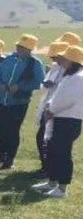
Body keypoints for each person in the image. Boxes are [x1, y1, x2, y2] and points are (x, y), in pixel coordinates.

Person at [0, 34, 45, 170]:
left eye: (23, 47)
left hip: (19, 102)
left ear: (30, 49)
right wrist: (0, 84)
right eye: (19, 46)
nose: (19, 48)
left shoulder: (35, 63)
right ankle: (0, 154)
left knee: (12, 130)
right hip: (1, 100)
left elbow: (39, 82)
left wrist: (20, 87)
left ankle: (10, 159)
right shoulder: (8, 59)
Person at [35, 44, 83, 198]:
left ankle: (62, 188)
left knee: (62, 153)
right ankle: (52, 181)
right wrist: (51, 107)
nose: (62, 60)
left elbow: (67, 100)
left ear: (73, 60)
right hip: (60, 117)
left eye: (65, 58)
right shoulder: (70, 76)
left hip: (68, 120)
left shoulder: (78, 78)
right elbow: (58, 96)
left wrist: (51, 110)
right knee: (53, 150)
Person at [34, 40, 71, 173]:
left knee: (50, 141)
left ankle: (50, 170)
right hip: (48, 107)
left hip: (58, 111)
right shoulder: (56, 67)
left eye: (56, 57)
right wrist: (46, 83)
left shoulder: (71, 72)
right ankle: (46, 167)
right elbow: (43, 86)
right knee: (42, 138)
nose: (54, 60)